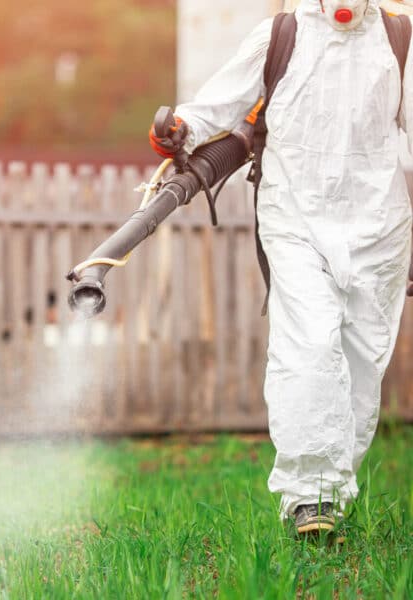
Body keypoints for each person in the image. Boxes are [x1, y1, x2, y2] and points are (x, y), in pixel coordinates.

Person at [149, 0, 413, 535]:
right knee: (309, 343)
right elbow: (217, 106)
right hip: (296, 213)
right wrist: (179, 127)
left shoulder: (400, 40)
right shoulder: (279, 37)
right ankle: (308, 497)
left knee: (361, 364)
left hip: (380, 225)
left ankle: (333, 491)